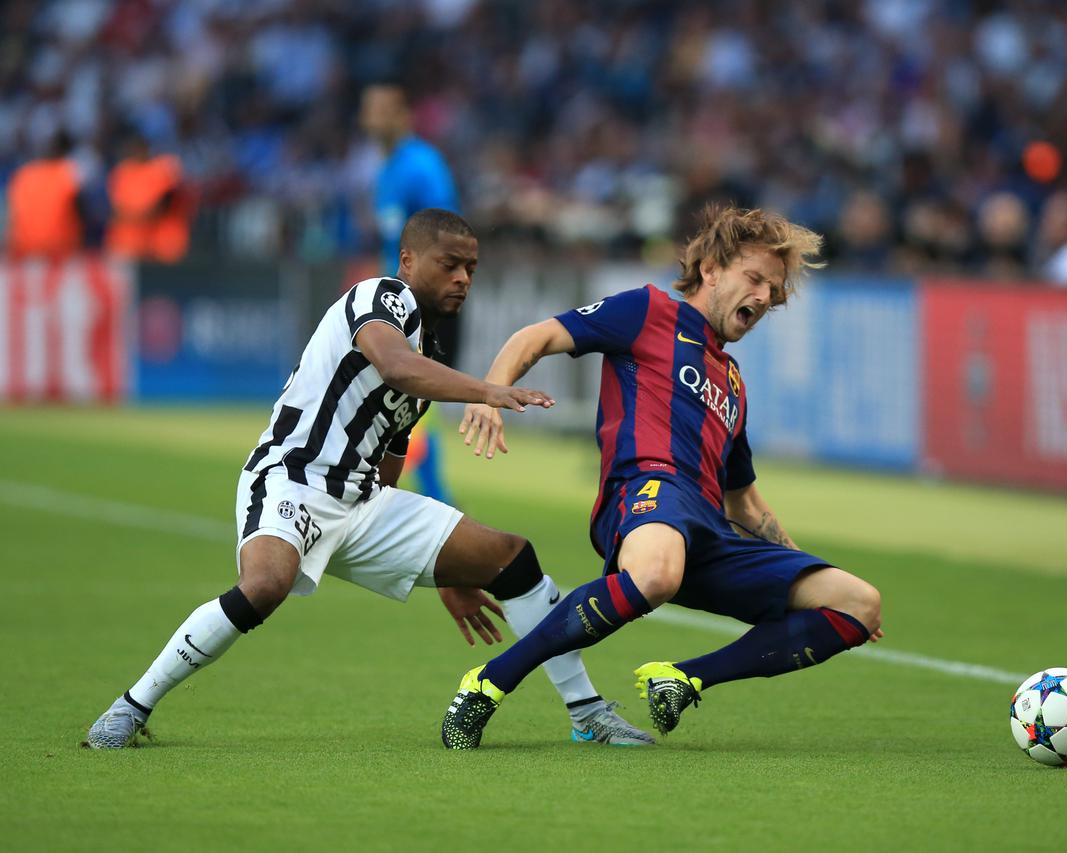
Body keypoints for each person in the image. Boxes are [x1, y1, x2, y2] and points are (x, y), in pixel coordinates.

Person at [85, 209, 651, 749]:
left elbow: (390, 453)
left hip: (361, 501)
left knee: (511, 558)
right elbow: (395, 367)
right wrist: (487, 390)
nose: (462, 279)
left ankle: (588, 714)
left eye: (471, 269)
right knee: (265, 585)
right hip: (292, 478)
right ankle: (131, 707)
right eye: (448, 264)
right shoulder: (381, 297)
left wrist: (447, 571)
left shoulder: (429, 345)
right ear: (408, 260)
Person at [440, 206, 884, 749]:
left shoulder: (734, 385)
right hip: (645, 491)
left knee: (858, 602)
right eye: (755, 278)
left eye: (774, 288)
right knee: (655, 573)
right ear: (711, 269)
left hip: (709, 532)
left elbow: (743, 502)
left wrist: (802, 567)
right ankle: (489, 683)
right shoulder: (646, 311)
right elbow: (536, 337)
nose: (766, 297)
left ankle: (683, 678)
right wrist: (491, 393)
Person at [359, 80, 460, 505]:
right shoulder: (386, 168)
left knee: (415, 398)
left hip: (425, 304)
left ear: (403, 115)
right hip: (397, 302)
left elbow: (446, 230)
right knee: (407, 400)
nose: (372, 118)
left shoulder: (422, 165)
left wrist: (428, 301)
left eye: (382, 109)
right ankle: (425, 495)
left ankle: (435, 497)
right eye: (369, 109)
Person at [105, 132, 194, 264]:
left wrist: (135, 216)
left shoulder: (162, 169)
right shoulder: (122, 172)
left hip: (162, 246)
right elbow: (116, 209)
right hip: (126, 246)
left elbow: (162, 206)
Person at [6, 130, 86, 258]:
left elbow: (13, 215)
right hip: (61, 249)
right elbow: (81, 210)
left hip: (25, 249)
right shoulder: (67, 172)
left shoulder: (23, 174)